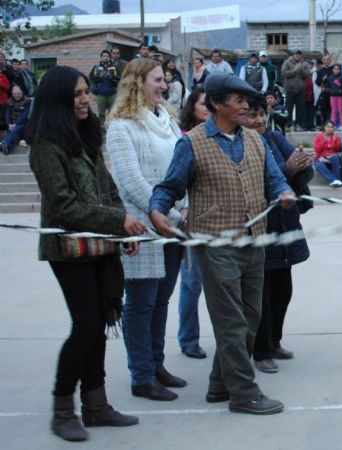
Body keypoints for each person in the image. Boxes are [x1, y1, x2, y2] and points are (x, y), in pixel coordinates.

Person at [149, 72, 294, 416]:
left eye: (248, 99)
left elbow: (274, 180)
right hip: (215, 246)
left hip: (254, 242)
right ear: (216, 103)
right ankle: (244, 393)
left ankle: (219, 384)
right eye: (238, 99)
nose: (246, 105)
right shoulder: (192, 142)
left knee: (250, 317)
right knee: (231, 322)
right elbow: (169, 187)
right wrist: (157, 211)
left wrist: (284, 193)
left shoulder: (257, 141)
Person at [27, 65, 145, 442]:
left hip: (100, 246)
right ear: (59, 99)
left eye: (87, 92)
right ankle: (63, 410)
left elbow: (107, 188)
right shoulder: (46, 145)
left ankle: (96, 406)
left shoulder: (87, 135)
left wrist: (120, 226)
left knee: (99, 328)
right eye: (78, 94)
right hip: (69, 250)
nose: (86, 99)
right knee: (87, 326)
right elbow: (62, 207)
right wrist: (118, 221)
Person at [105, 58, 187, 402]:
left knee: (162, 300)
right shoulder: (122, 127)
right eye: (157, 79)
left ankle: (157, 365)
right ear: (137, 82)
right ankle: (141, 375)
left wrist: (180, 211)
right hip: (144, 225)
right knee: (141, 303)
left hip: (174, 224)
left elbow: (182, 166)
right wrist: (161, 212)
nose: (164, 85)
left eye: (165, 80)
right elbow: (129, 181)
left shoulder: (167, 120)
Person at [243, 95, 313, 374]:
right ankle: (261, 351)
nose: (259, 120)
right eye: (252, 115)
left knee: (283, 291)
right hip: (262, 229)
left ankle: (275, 341)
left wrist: (303, 165)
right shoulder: (242, 145)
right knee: (262, 296)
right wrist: (289, 168)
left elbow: (301, 178)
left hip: (285, 226)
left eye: (262, 114)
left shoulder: (274, 138)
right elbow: (260, 183)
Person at [175, 87, 210, 359]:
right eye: (203, 104)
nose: (209, 107)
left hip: (217, 219)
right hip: (190, 218)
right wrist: (185, 207)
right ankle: (188, 339)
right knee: (191, 282)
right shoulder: (184, 138)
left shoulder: (219, 136)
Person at [89, 50, 121, 126]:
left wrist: (112, 77)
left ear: (110, 58)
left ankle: (112, 128)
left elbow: (119, 78)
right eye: (104, 56)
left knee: (113, 113)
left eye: (107, 56)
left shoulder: (114, 67)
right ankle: (102, 130)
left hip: (112, 94)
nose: (105, 58)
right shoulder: (96, 67)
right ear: (101, 57)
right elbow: (91, 78)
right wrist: (98, 76)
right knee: (101, 113)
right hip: (100, 94)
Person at [281, 50, 309, 131]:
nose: (297, 56)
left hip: (301, 90)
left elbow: (307, 75)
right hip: (290, 89)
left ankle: (298, 125)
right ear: (293, 55)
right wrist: (295, 70)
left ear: (301, 56)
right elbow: (283, 73)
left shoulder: (304, 64)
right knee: (288, 108)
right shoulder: (287, 62)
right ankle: (287, 125)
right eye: (296, 54)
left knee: (300, 109)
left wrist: (301, 70)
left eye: (299, 55)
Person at [1, 85, 31, 154]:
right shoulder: (9, 102)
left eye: (18, 94)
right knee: (12, 132)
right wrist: (9, 124)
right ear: (12, 93)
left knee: (15, 129)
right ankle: (6, 148)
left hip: (22, 123)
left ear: (21, 92)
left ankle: (5, 145)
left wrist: (16, 124)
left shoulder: (27, 101)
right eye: (15, 94)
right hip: (12, 124)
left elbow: (25, 115)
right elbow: (7, 114)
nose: (17, 95)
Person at [313, 120, 342, 187]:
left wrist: (336, 141)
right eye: (327, 127)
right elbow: (317, 150)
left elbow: (338, 149)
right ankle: (334, 180)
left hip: (333, 158)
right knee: (318, 165)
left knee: (335, 157)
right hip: (322, 158)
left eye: (331, 127)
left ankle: (335, 180)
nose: (329, 129)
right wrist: (323, 141)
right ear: (324, 127)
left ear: (333, 128)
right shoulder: (319, 137)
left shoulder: (336, 136)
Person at [327, 63, 342, 130]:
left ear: (340, 70)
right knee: (334, 111)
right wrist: (330, 91)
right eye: (335, 69)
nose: (336, 70)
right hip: (332, 96)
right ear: (333, 70)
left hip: (340, 96)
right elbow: (328, 86)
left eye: (338, 69)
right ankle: (332, 125)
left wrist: (341, 90)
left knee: (340, 110)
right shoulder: (330, 77)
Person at [316, 54, 333, 125]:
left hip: (332, 93)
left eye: (328, 59)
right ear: (323, 61)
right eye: (325, 60)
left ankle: (332, 124)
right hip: (324, 92)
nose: (326, 61)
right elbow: (317, 82)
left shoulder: (333, 69)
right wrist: (322, 80)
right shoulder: (321, 71)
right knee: (324, 109)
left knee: (332, 109)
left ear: (330, 60)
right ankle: (324, 124)